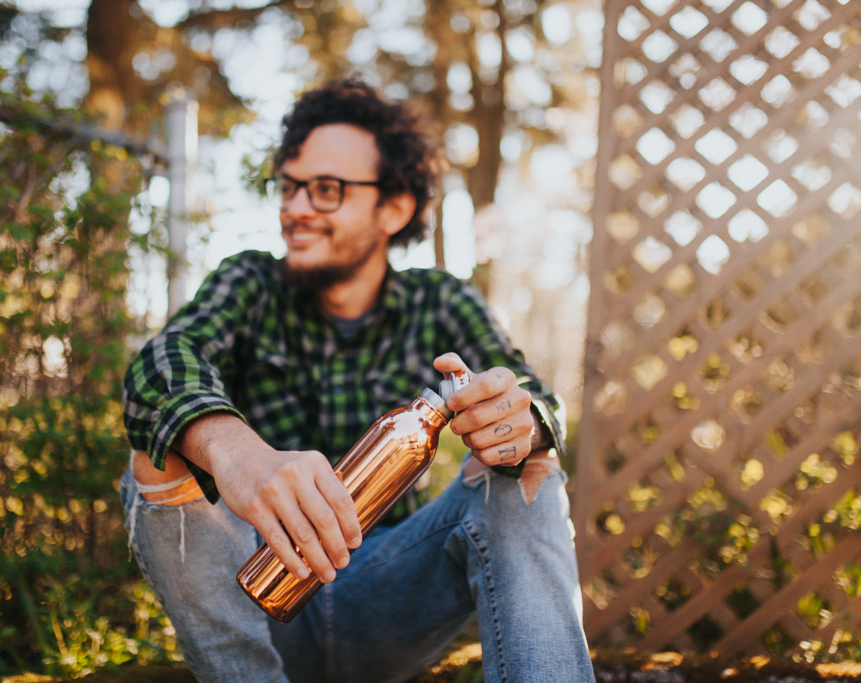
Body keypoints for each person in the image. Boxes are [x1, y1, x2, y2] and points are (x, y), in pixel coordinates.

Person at [120, 78, 594, 682]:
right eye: (289, 187)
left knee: (528, 466)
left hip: (388, 599)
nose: (294, 207)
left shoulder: (439, 302)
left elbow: (527, 390)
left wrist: (517, 420)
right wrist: (238, 455)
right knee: (154, 454)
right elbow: (163, 361)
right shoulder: (250, 284)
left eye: (325, 190)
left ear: (393, 208)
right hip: (251, 592)